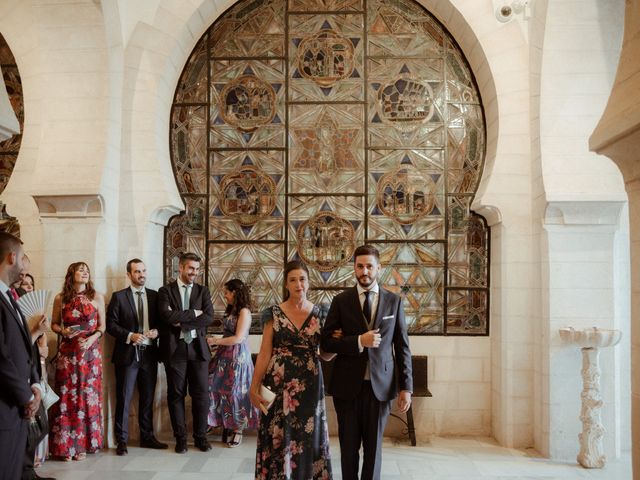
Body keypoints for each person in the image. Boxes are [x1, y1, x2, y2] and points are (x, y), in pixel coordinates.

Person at [320, 245, 413, 480]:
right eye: (360, 266)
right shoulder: (341, 301)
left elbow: (402, 348)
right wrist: (358, 340)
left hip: (380, 388)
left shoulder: (394, 302)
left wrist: (406, 388)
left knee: (374, 450)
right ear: (354, 268)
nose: (365, 271)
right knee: (349, 450)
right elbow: (327, 344)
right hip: (347, 387)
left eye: (369, 266)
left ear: (378, 268)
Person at [250, 260, 333, 479]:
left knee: (309, 437)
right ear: (286, 284)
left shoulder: (320, 314)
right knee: (278, 434)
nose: (299, 284)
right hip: (278, 384)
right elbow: (265, 353)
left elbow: (325, 354)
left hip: (310, 383)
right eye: (293, 280)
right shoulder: (273, 314)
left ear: (309, 282)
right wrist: (254, 386)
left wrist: (338, 343)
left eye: (302, 279)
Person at [106, 259, 168, 456]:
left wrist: (157, 332)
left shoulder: (155, 296)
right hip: (127, 355)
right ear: (129, 274)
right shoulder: (119, 297)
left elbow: (162, 323)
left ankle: (147, 437)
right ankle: (122, 441)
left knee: (147, 398)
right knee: (124, 398)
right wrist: (129, 336)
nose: (141, 274)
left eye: (143, 270)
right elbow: (111, 325)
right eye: (137, 271)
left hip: (149, 355)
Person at [158, 252, 214, 453]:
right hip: (175, 350)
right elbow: (166, 315)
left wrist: (180, 320)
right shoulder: (165, 291)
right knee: (176, 395)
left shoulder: (202, 291)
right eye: (191, 268)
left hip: (198, 350)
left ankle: (200, 437)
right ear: (180, 267)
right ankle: (180, 438)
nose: (194, 273)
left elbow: (209, 317)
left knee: (201, 396)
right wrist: (193, 314)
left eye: (197, 269)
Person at [49, 262, 106, 461]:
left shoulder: (97, 297)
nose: (84, 273)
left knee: (86, 396)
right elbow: (54, 323)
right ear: (71, 273)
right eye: (81, 270)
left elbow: (102, 326)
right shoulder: (60, 298)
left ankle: (82, 446)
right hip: (67, 353)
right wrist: (62, 330)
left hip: (90, 355)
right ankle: (65, 447)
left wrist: (92, 338)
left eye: (87, 270)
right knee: (66, 397)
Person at [0, 232, 43, 480]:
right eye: (23, 259)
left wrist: (35, 384)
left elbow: (26, 348)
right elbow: (1, 358)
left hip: (17, 407)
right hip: (5, 405)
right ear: (11, 257)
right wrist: (26, 396)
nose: (25, 266)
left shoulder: (12, 298)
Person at [206, 278, 259, 447]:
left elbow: (238, 338)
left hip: (237, 357)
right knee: (211, 386)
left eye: (227, 293)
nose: (225, 296)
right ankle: (215, 422)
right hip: (223, 356)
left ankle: (238, 430)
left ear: (235, 293)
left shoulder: (244, 311)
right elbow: (228, 333)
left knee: (236, 393)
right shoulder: (231, 310)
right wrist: (216, 343)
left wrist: (216, 341)